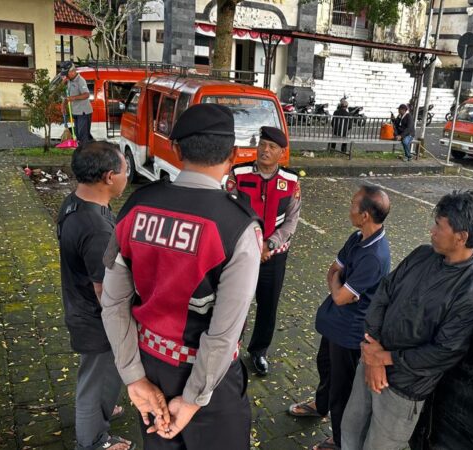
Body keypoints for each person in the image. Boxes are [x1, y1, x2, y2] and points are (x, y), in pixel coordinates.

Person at [100, 104, 262, 449]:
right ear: (233, 155)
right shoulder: (238, 226)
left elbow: (112, 303)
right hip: (209, 382)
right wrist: (191, 400)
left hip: (149, 366)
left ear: (175, 149)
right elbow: (224, 333)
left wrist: (134, 378)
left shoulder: (136, 207)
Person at [341, 190, 473, 450]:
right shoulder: (422, 254)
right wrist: (373, 347)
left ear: (461, 237)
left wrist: (385, 358)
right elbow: (384, 293)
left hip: (403, 387)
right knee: (351, 429)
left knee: (378, 445)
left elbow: (443, 352)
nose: (432, 231)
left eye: (439, 226)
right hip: (370, 358)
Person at [288, 185, 391, 450]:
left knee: (341, 387)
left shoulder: (374, 256)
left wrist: (338, 286)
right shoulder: (357, 237)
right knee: (325, 365)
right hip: (336, 323)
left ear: (365, 215)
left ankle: (340, 439)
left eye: (353, 204)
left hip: (349, 332)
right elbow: (333, 271)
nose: (349, 208)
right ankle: (320, 405)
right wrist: (338, 283)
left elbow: (340, 297)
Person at [56, 141, 132, 450]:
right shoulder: (96, 228)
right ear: (109, 177)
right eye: (125, 170)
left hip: (79, 304)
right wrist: (122, 327)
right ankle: (93, 441)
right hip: (96, 318)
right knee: (96, 378)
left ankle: (101, 408)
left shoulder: (74, 203)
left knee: (99, 375)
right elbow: (105, 290)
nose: (127, 176)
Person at [227, 126, 301, 376]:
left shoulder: (291, 181)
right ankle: (231, 346)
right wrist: (251, 245)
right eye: (262, 144)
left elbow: (291, 220)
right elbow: (229, 211)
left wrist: (269, 244)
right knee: (235, 300)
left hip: (274, 255)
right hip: (242, 253)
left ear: (281, 152)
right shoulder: (238, 173)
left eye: (272, 147)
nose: (265, 150)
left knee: (268, 305)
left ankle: (259, 351)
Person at [62, 62, 93, 150]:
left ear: (72, 71)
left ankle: (84, 154)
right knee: (78, 135)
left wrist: (74, 98)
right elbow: (67, 94)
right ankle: (83, 151)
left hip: (83, 112)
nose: (66, 76)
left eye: (67, 74)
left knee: (83, 136)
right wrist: (63, 105)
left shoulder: (80, 80)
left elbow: (86, 95)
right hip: (75, 112)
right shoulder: (69, 80)